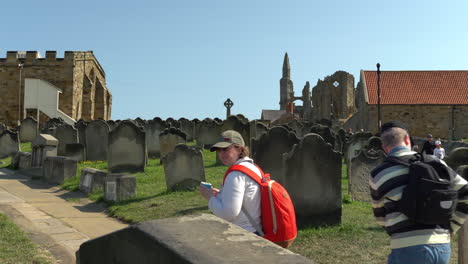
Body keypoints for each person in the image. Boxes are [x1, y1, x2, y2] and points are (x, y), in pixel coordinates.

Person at [369, 121, 468, 264]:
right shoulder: (437, 164)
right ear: (407, 139)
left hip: (407, 248)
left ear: (384, 148)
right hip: (442, 246)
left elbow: (380, 217)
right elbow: (465, 192)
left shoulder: (378, 174)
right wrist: (452, 227)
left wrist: (398, 232)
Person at [198, 130, 262, 234]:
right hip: (256, 229)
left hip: (243, 233)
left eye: (225, 149)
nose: (221, 154)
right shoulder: (252, 167)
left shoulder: (235, 175)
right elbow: (246, 198)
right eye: (219, 150)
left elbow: (228, 214)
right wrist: (220, 194)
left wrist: (210, 198)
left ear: (239, 149)